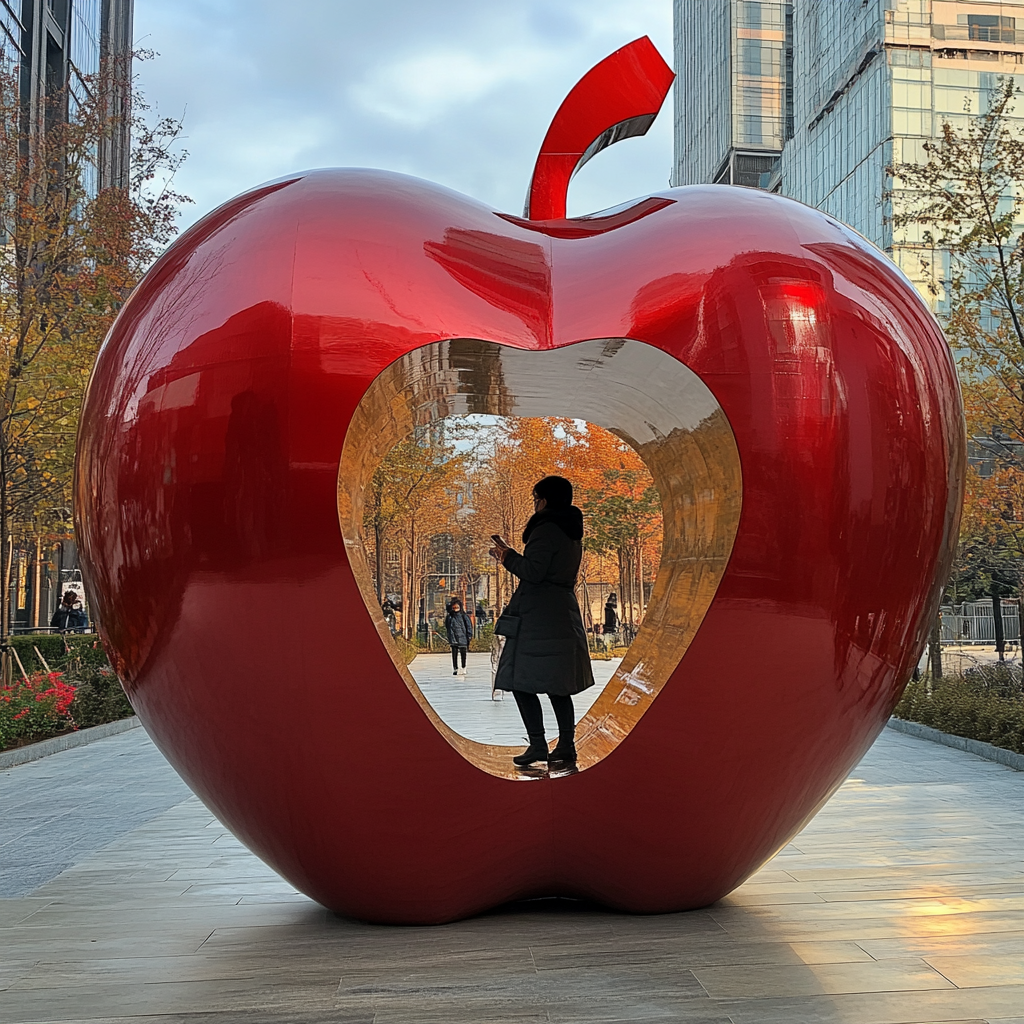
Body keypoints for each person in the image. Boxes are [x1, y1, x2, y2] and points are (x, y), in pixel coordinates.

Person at [490, 475, 594, 767]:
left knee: (519, 680)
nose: (535, 504)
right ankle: (566, 746)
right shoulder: (570, 531)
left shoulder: (545, 529)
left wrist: (506, 555)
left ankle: (537, 744)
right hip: (561, 613)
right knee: (558, 686)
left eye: (535, 498)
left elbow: (534, 572)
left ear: (544, 500)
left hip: (538, 618)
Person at [444, 599, 473, 676]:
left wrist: (469, 635)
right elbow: (447, 626)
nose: (455, 608)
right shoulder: (449, 617)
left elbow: (469, 626)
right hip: (453, 638)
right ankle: (455, 668)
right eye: (454, 607)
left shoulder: (464, 616)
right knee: (454, 654)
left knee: (463, 654)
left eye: (457, 606)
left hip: (462, 638)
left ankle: (463, 667)